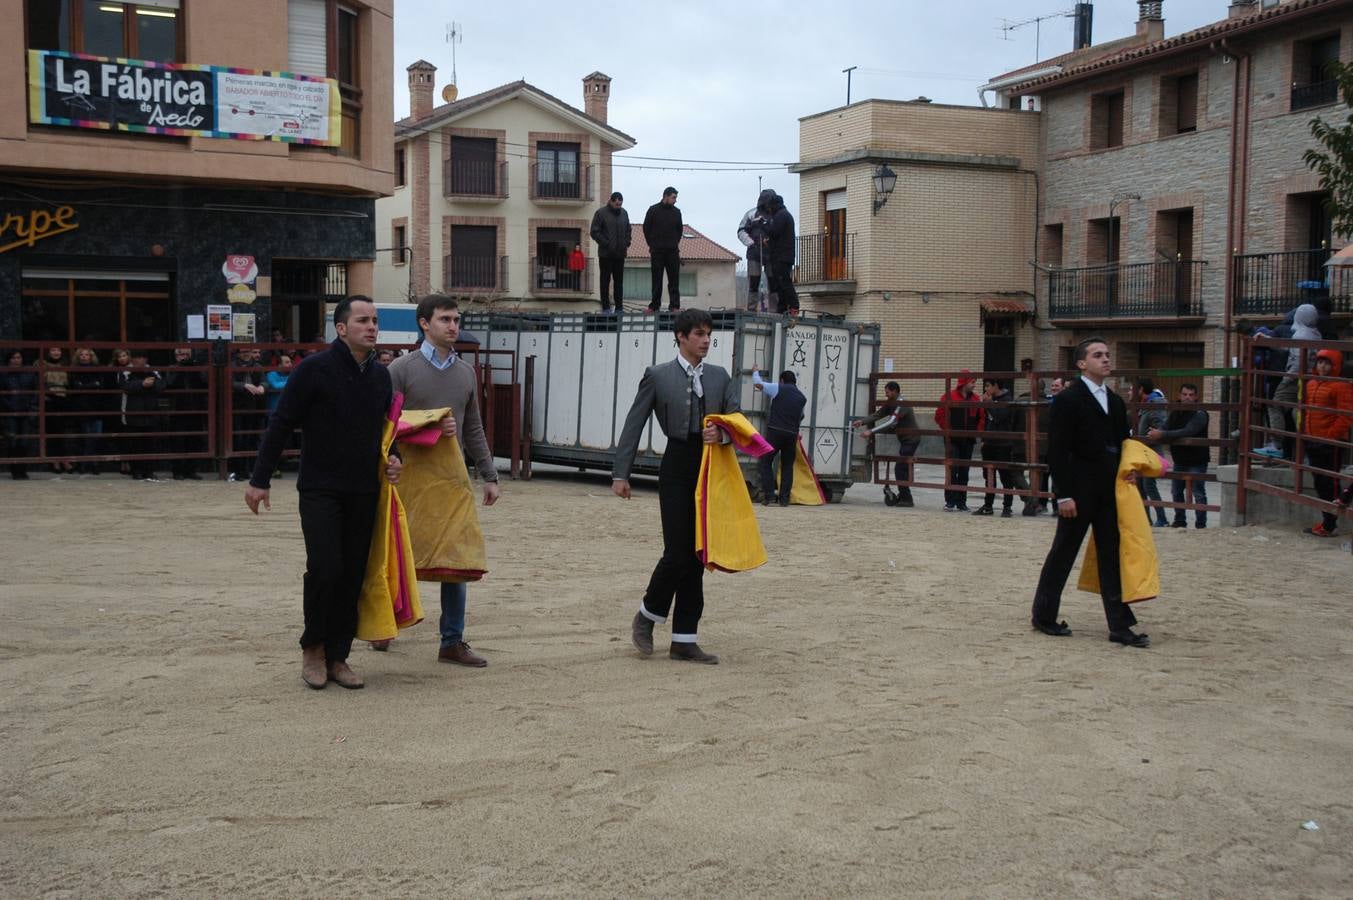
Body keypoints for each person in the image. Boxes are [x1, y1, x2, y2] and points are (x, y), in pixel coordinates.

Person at [245, 296, 401, 691]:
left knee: (352, 572)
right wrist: (259, 479)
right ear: (341, 328)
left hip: (365, 489)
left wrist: (394, 457)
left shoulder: (381, 376)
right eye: (363, 320)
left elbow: (387, 432)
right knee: (325, 567)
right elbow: (281, 424)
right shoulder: (313, 370)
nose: (372, 327)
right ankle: (312, 648)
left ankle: (339, 656)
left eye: (375, 320)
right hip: (320, 488)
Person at [613, 308, 738, 664]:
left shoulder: (719, 376)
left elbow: (736, 418)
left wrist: (724, 434)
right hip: (677, 464)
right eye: (698, 334)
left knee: (698, 556)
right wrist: (621, 473)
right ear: (681, 337)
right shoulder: (658, 375)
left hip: (709, 467)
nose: (705, 340)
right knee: (678, 552)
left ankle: (684, 638)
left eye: (708, 334)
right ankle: (648, 614)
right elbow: (633, 424)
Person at [385, 294, 501, 667]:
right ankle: (384, 623)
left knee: (457, 556)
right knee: (397, 553)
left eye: (456, 319)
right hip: (407, 477)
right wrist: (431, 424)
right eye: (445, 320)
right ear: (424, 323)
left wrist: (489, 474)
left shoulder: (465, 372)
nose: (453, 326)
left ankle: (451, 640)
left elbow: (473, 428)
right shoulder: (400, 370)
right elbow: (385, 426)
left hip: (451, 478)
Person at [1031, 337, 1149, 648]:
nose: (1106, 360)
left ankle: (1120, 625)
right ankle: (1044, 616)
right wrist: (1064, 494)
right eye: (1098, 355)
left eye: (1108, 355)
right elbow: (1057, 451)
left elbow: (1123, 444)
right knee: (1063, 552)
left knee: (1111, 555)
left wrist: (1131, 469)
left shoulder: (1116, 401)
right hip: (1079, 490)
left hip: (1110, 490)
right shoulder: (1069, 400)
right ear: (1082, 363)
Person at [1297, 349, 1353, 537]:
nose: (1322, 366)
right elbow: (1306, 411)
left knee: (1330, 482)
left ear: (1335, 365)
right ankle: (1327, 522)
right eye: (1320, 362)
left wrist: (1330, 435)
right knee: (1320, 483)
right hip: (1313, 438)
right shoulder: (1311, 383)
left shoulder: (1341, 386)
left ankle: (1330, 524)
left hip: (1330, 441)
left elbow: (1345, 416)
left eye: (1327, 363)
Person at [1147, 383, 1210, 529]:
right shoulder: (1176, 411)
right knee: (1176, 491)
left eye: (1191, 395)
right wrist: (1157, 431)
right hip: (1180, 459)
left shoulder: (1200, 413)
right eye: (1185, 394)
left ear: (1196, 397)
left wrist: (1162, 434)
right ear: (1179, 396)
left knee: (1198, 492)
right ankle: (1179, 521)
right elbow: (1166, 426)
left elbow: (1188, 431)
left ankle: (1201, 525)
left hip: (1197, 460)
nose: (1187, 397)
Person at [854, 381, 920, 508]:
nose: (886, 395)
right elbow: (878, 414)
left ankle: (906, 498)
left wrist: (871, 431)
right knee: (902, 467)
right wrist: (862, 422)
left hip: (911, 439)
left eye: (887, 392)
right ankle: (904, 495)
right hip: (905, 439)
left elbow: (891, 422)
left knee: (900, 468)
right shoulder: (891, 402)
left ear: (895, 391)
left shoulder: (901, 403)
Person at [752, 369, 807, 506]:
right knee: (788, 466)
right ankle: (784, 499)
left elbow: (758, 384)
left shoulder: (779, 388)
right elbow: (801, 416)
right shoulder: (802, 397)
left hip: (775, 433)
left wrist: (755, 372)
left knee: (766, 461)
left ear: (782, 380)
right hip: (791, 435)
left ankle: (770, 496)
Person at [974, 379, 1026, 518]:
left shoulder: (1007, 400)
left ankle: (1007, 507)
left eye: (988, 385)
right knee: (989, 477)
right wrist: (984, 439)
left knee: (1005, 477)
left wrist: (988, 404)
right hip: (989, 443)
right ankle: (988, 505)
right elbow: (987, 421)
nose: (986, 388)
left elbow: (998, 417)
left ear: (996, 386)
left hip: (1003, 444)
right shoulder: (991, 400)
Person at [935, 372, 983, 512]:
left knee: (964, 471)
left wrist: (977, 432)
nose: (974, 385)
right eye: (972, 382)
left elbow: (981, 417)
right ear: (965, 382)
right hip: (952, 439)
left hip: (968, 440)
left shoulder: (975, 399)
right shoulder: (949, 396)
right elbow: (939, 415)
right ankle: (950, 500)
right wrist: (948, 429)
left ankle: (962, 501)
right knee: (952, 469)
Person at [117, 352, 164, 481]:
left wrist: (151, 385)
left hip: (151, 412)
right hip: (133, 413)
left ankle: (149, 471)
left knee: (151, 444)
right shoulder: (126, 371)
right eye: (138, 358)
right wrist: (142, 384)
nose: (140, 360)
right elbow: (125, 386)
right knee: (135, 443)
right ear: (133, 359)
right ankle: (136, 471)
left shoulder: (153, 370)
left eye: (143, 357)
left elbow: (161, 385)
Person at [165, 347, 207, 480]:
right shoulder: (172, 368)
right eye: (181, 354)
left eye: (186, 354)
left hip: (196, 409)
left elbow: (205, 382)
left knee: (195, 441)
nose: (184, 357)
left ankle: (191, 470)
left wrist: (194, 368)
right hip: (177, 410)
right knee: (178, 441)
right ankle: (177, 470)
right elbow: (169, 383)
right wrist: (180, 369)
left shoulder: (196, 367)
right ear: (176, 356)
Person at [1134, 378, 1169, 527]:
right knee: (1141, 486)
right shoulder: (1146, 406)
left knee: (1149, 486)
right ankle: (1145, 519)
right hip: (1143, 452)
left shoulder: (1154, 406)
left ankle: (1161, 518)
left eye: (1133, 389)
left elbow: (1159, 427)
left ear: (1141, 390)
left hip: (1150, 452)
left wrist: (1150, 436)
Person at [642, 187, 683, 312]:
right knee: (657, 280)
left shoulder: (677, 212)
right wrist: (652, 244)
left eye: (676, 197)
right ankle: (654, 306)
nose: (675, 200)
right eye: (673, 197)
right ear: (665, 196)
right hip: (657, 251)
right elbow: (646, 228)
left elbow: (679, 230)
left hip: (672, 251)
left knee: (674, 280)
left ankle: (675, 306)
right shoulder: (653, 210)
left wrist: (673, 243)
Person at [590, 191, 631, 314]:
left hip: (620, 254)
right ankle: (606, 308)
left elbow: (628, 229)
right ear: (611, 201)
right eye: (617, 204)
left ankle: (619, 308)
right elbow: (594, 231)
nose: (619, 206)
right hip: (606, 254)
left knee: (619, 282)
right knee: (605, 281)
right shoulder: (601, 213)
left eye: (620, 204)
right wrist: (606, 243)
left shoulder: (624, 213)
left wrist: (626, 243)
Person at [69, 348, 108, 474]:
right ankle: (87, 464)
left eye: (87, 355)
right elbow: (75, 386)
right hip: (81, 408)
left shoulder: (97, 369)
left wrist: (85, 386)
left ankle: (90, 463)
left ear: (91, 357)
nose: (84, 357)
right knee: (85, 436)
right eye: (82, 354)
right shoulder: (74, 370)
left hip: (97, 407)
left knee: (96, 436)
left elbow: (100, 385)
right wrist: (92, 385)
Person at [737, 189, 775, 311]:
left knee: (773, 283)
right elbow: (741, 231)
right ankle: (752, 309)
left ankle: (774, 310)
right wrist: (751, 243)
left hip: (772, 253)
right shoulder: (751, 214)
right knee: (753, 282)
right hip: (754, 252)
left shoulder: (776, 214)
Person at [761, 193, 799, 315]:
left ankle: (793, 306)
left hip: (782, 256)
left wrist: (764, 224)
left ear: (774, 206)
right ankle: (782, 308)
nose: (769, 210)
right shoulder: (784, 215)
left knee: (784, 282)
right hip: (784, 255)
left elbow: (774, 231)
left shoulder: (781, 216)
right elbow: (779, 235)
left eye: (770, 207)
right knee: (780, 284)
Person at [2, 349, 37, 480]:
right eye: (14, 358)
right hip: (10, 412)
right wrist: (8, 406)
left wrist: (31, 407)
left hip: (25, 411)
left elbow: (35, 391)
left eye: (19, 358)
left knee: (24, 442)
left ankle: (23, 470)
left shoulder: (28, 373)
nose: (16, 360)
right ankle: (14, 470)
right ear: (9, 360)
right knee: (13, 441)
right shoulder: (3, 374)